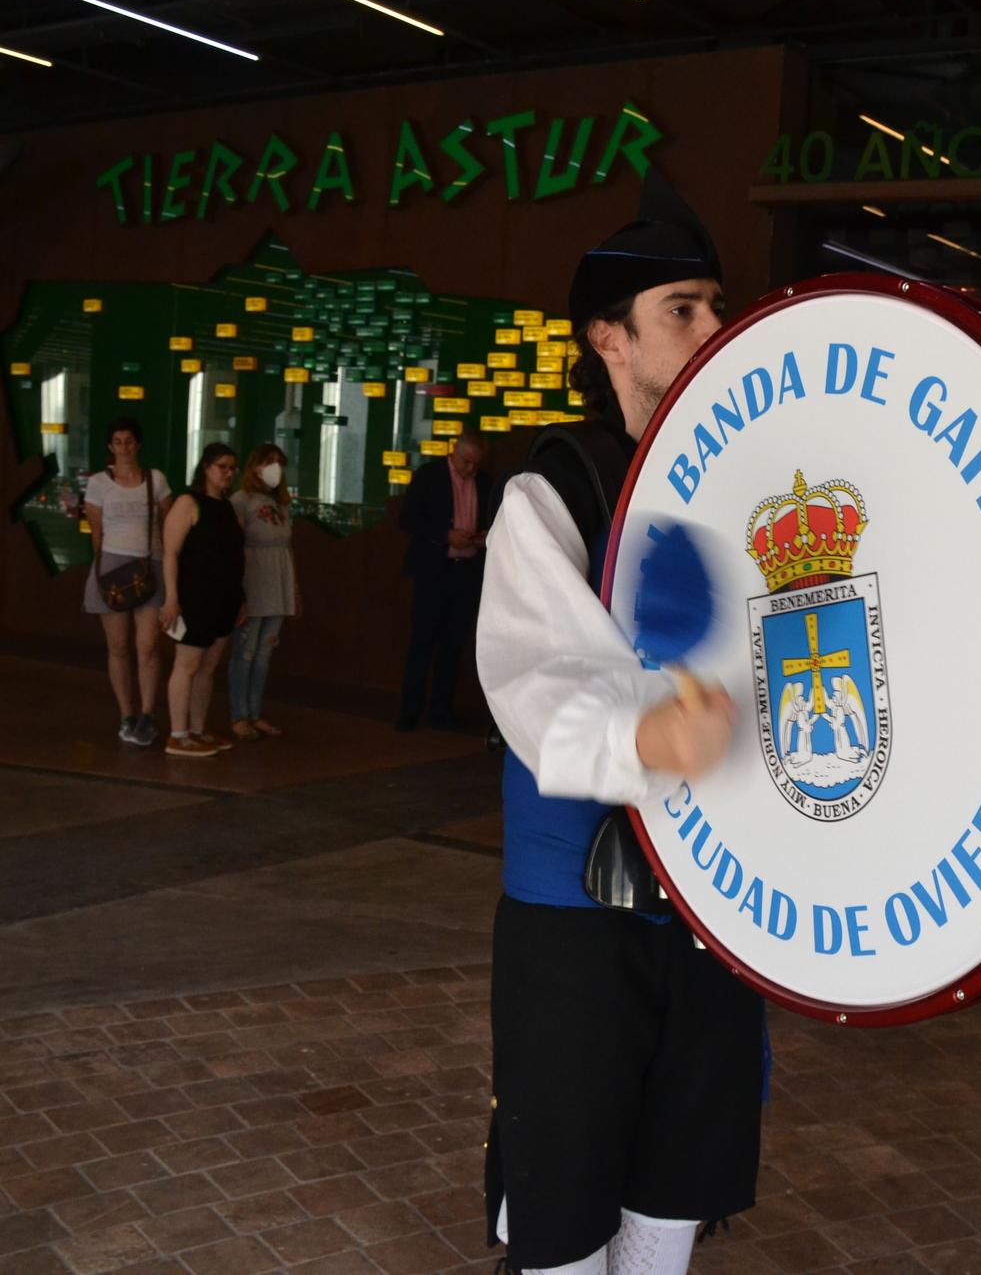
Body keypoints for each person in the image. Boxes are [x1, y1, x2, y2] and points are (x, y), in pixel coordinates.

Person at [475, 176, 763, 1275]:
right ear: (607, 336)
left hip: (719, 907)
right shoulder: (553, 490)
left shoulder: (740, 488)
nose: (710, 331)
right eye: (681, 310)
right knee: (564, 1213)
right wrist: (644, 739)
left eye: (717, 308)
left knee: (672, 1193)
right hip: (577, 925)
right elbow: (526, 673)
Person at [83, 418, 172, 747]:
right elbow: (96, 532)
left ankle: (148, 713)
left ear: (138, 444)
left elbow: (169, 523)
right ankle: (126, 714)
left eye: (129, 441)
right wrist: (102, 571)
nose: (124, 447)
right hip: (113, 566)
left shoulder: (156, 480)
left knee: (148, 645)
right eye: (118, 442)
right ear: (110, 446)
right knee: (118, 647)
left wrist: (170, 566)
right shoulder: (98, 484)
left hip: (150, 564)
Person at [398, 432, 495, 731]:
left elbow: (492, 520)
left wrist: (481, 538)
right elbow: (408, 519)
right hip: (433, 572)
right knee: (421, 642)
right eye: (466, 462)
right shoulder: (429, 476)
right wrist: (445, 535)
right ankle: (409, 711)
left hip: (466, 572)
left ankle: (441, 710)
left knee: (453, 646)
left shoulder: (485, 482)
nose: (470, 470)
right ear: (455, 452)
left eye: (476, 465)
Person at [159, 443, 245, 759]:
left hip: (224, 598)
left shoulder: (228, 508)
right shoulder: (188, 502)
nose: (227, 473)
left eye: (232, 467)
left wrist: (241, 599)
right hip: (194, 598)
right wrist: (171, 598)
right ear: (205, 468)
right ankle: (178, 733)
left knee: (208, 668)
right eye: (221, 466)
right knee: (188, 665)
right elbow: (170, 553)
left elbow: (235, 557)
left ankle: (197, 729)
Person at [228, 443, 298, 743]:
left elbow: (287, 545)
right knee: (245, 652)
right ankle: (239, 715)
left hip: (278, 579)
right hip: (253, 579)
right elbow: (234, 545)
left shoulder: (281, 502)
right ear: (254, 466)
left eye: (279, 463)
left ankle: (256, 712)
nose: (275, 468)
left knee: (265, 652)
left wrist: (294, 588)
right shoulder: (240, 501)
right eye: (268, 462)